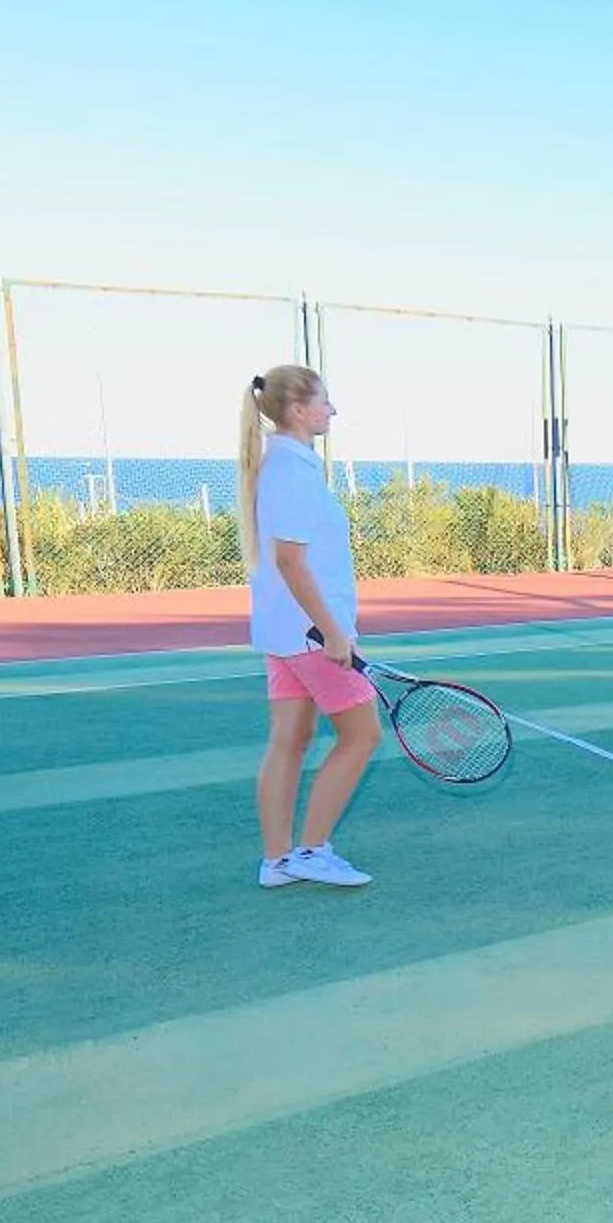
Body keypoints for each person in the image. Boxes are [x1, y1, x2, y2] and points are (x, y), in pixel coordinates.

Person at [239, 366, 377, 888]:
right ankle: (312, 850)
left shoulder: (274, 465)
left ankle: (277, 860)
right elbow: (291, 563)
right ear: (298, 410)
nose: (332, 410)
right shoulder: (292, 471)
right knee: (362, 736)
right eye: (325, 401)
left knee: (290, 739)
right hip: (310, 634)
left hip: (285, 633)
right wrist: (334, 631)